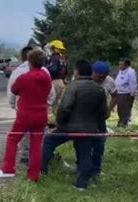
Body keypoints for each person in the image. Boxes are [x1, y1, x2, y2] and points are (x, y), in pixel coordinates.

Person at [42, 60, 107, 190]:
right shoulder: (99, 89)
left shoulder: (73, 86)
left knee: (48, 141)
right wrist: (96, 125)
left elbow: (65, 107)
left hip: (69, 128)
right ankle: (82, 184)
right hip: (89, 129)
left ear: (77, 71)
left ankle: (41, 171)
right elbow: (103, 113)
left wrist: (60, 122)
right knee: (85, 154)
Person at [0, 49, 52, 182]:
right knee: (36, 144)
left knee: (13, 139)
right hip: (41, 114)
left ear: (29, 62)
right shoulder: (47, 77)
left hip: (25, 114)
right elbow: (49, 92)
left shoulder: (24, 77)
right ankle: (33, 175)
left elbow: (14, 90)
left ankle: (8, 168)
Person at [7, 46, 55, 164]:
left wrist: (13, 105)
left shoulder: (17, 73)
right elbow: (51, 93)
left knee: (19, 135)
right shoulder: (45, 72)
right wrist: (48, 103)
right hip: (40, 110)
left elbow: (11, 91)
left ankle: (23, 156)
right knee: (37, 140)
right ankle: (37, 166)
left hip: (23, 110)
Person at [90, 61, 117, 179]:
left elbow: (115, 96)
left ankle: (96, 169)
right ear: (93, 73)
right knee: (83, 142)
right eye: (98, 77)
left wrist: (109, 110)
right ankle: (82, 166)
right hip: (86, 115)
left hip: (100, 116)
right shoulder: (85, 79)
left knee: (99, 143)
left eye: (103, 77)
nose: (101, 79)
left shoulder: (109, 81)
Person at [45, 40, 68, 124]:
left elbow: (53, 69)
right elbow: (66, 71)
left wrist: (45, 67)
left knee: (52, 104)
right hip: (61, 82)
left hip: (55, 82)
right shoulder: (62, 58)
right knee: (56, 104)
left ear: (54, 48)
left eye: (51, 48)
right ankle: (59, 122)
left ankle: (54, 122)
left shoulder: (54, 58)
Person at [114, 58, 137, 128]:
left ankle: (124, 124)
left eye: (121, 64)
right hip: (119, 93)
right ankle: (121, 122)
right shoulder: (121, 71)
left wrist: (131, 95)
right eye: (119, 64)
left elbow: (133, 84)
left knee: (125, 110)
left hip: (126, 94)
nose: (119, 66)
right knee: (119, 110)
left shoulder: (131, 72)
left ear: (126, 65)